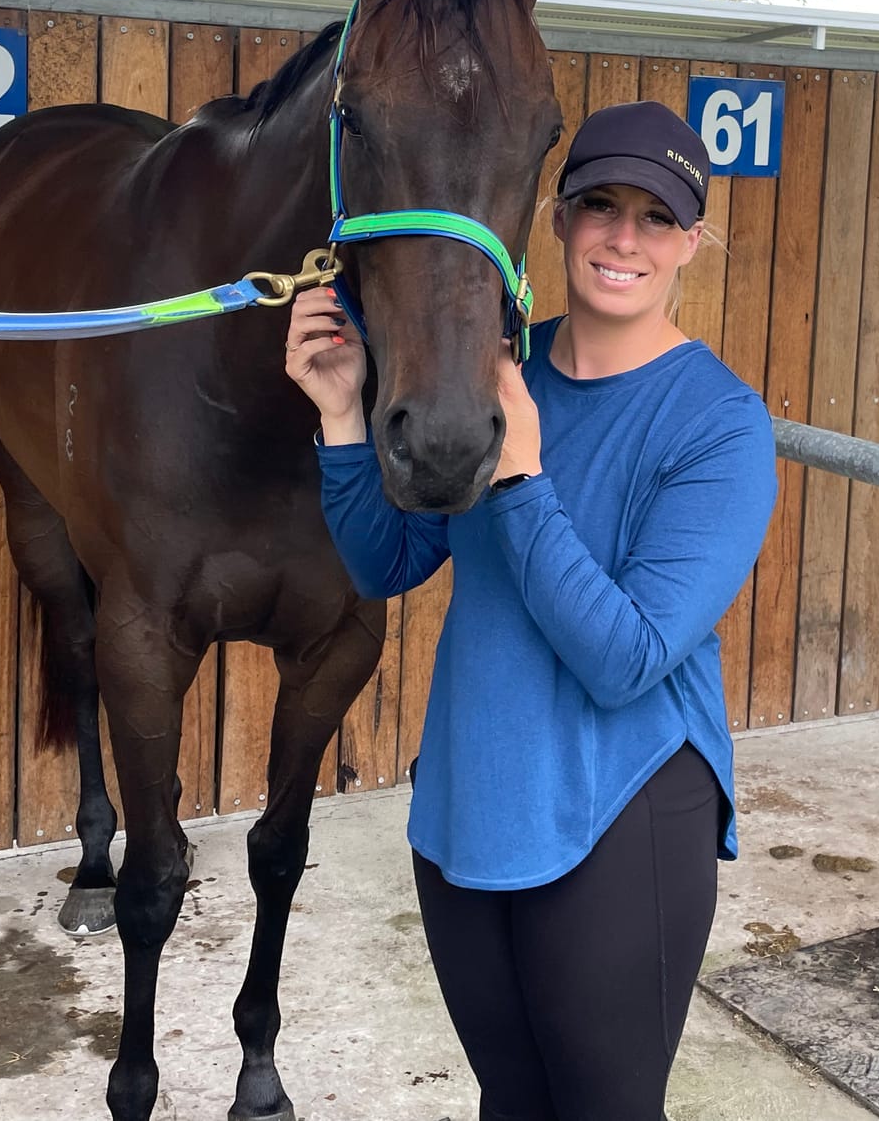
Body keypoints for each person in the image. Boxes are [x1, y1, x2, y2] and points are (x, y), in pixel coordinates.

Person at [285, 98, 778, 1121]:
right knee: (509, 1099)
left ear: (692, 241)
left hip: (622, 804)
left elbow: (628, 657)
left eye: (654, 217)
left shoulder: (718, 423)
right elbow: (391, 560)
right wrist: (340, 417)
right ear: (554, 218)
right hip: (471, 798)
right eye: (599, 205)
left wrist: (520, 480)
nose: (621, 237)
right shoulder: (495, 373)